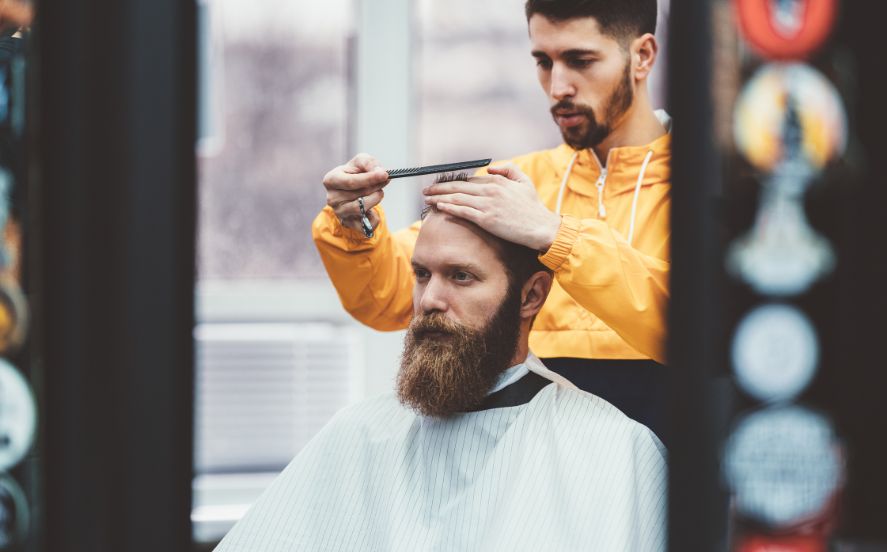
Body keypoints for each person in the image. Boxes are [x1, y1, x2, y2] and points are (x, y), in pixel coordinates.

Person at [217, 184, 667, 551]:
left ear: (530, 297)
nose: (430, 299)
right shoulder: (359, 433)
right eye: (422, 274)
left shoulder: (614, 450)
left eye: (461, 276)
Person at [314, 0, 671, 438]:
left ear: (643, 55)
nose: (558, 87)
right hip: (528, 467)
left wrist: (555, 235)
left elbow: (703, 328)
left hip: (672, 475)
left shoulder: (711, 189)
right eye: (543, 61)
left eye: (580, 60)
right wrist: (354, 224)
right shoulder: (514, 187)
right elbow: (389, 295)